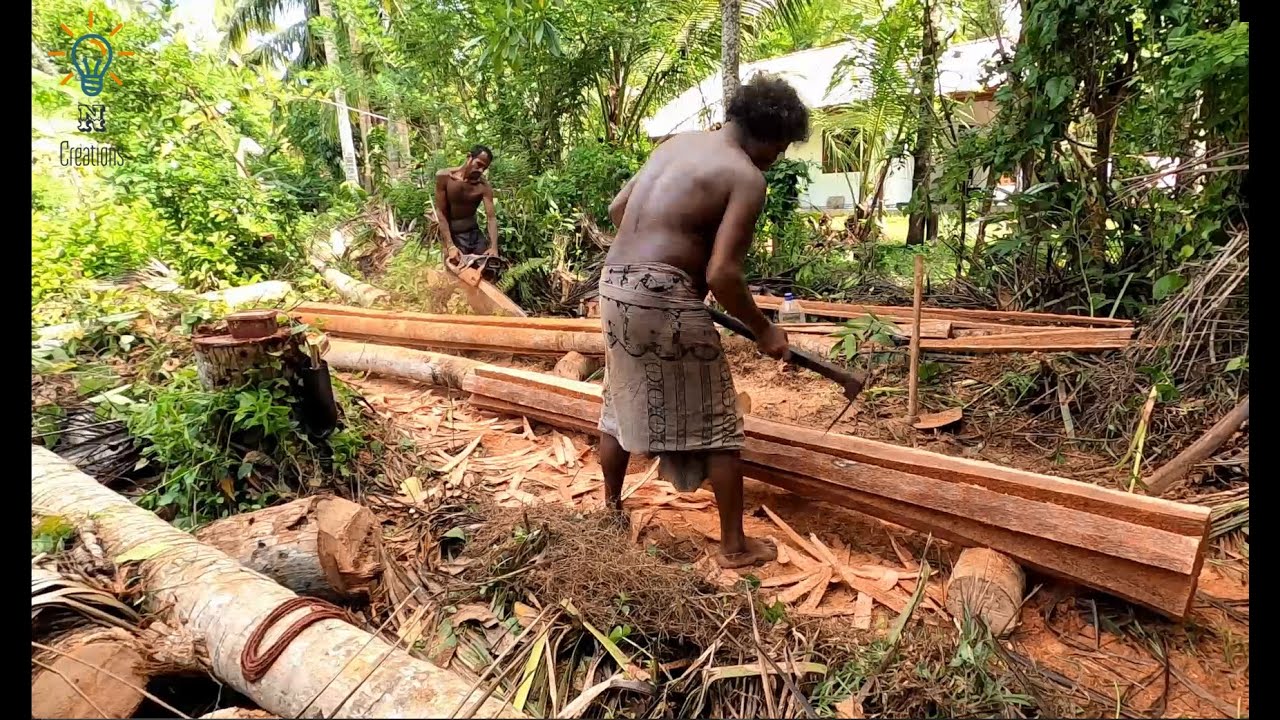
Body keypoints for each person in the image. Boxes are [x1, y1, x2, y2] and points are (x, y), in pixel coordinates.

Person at [597, 74, 810, 568]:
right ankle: (735, 546)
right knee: (718, 420)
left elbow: (617, 208)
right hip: (661, 293)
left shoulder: (677, 144)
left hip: (613, 281)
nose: (777, 158)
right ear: (771, 135)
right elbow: (723, 273)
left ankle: (609, 512)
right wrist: (764, 329)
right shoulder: (745, 176)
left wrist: (651, 256)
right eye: (780, 148)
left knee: (619, 402)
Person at [435, 145, 499, 262]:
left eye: (484, 168)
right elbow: (441, 212)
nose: (480, 170)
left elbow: (491, 218)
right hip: (454, 236)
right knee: (457, 270)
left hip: (474, 235)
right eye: (479, 164)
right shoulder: (445, 178)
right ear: (469, 157)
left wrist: (494, 247)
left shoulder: (483, 187)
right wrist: (450, 246)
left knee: (489, 266)